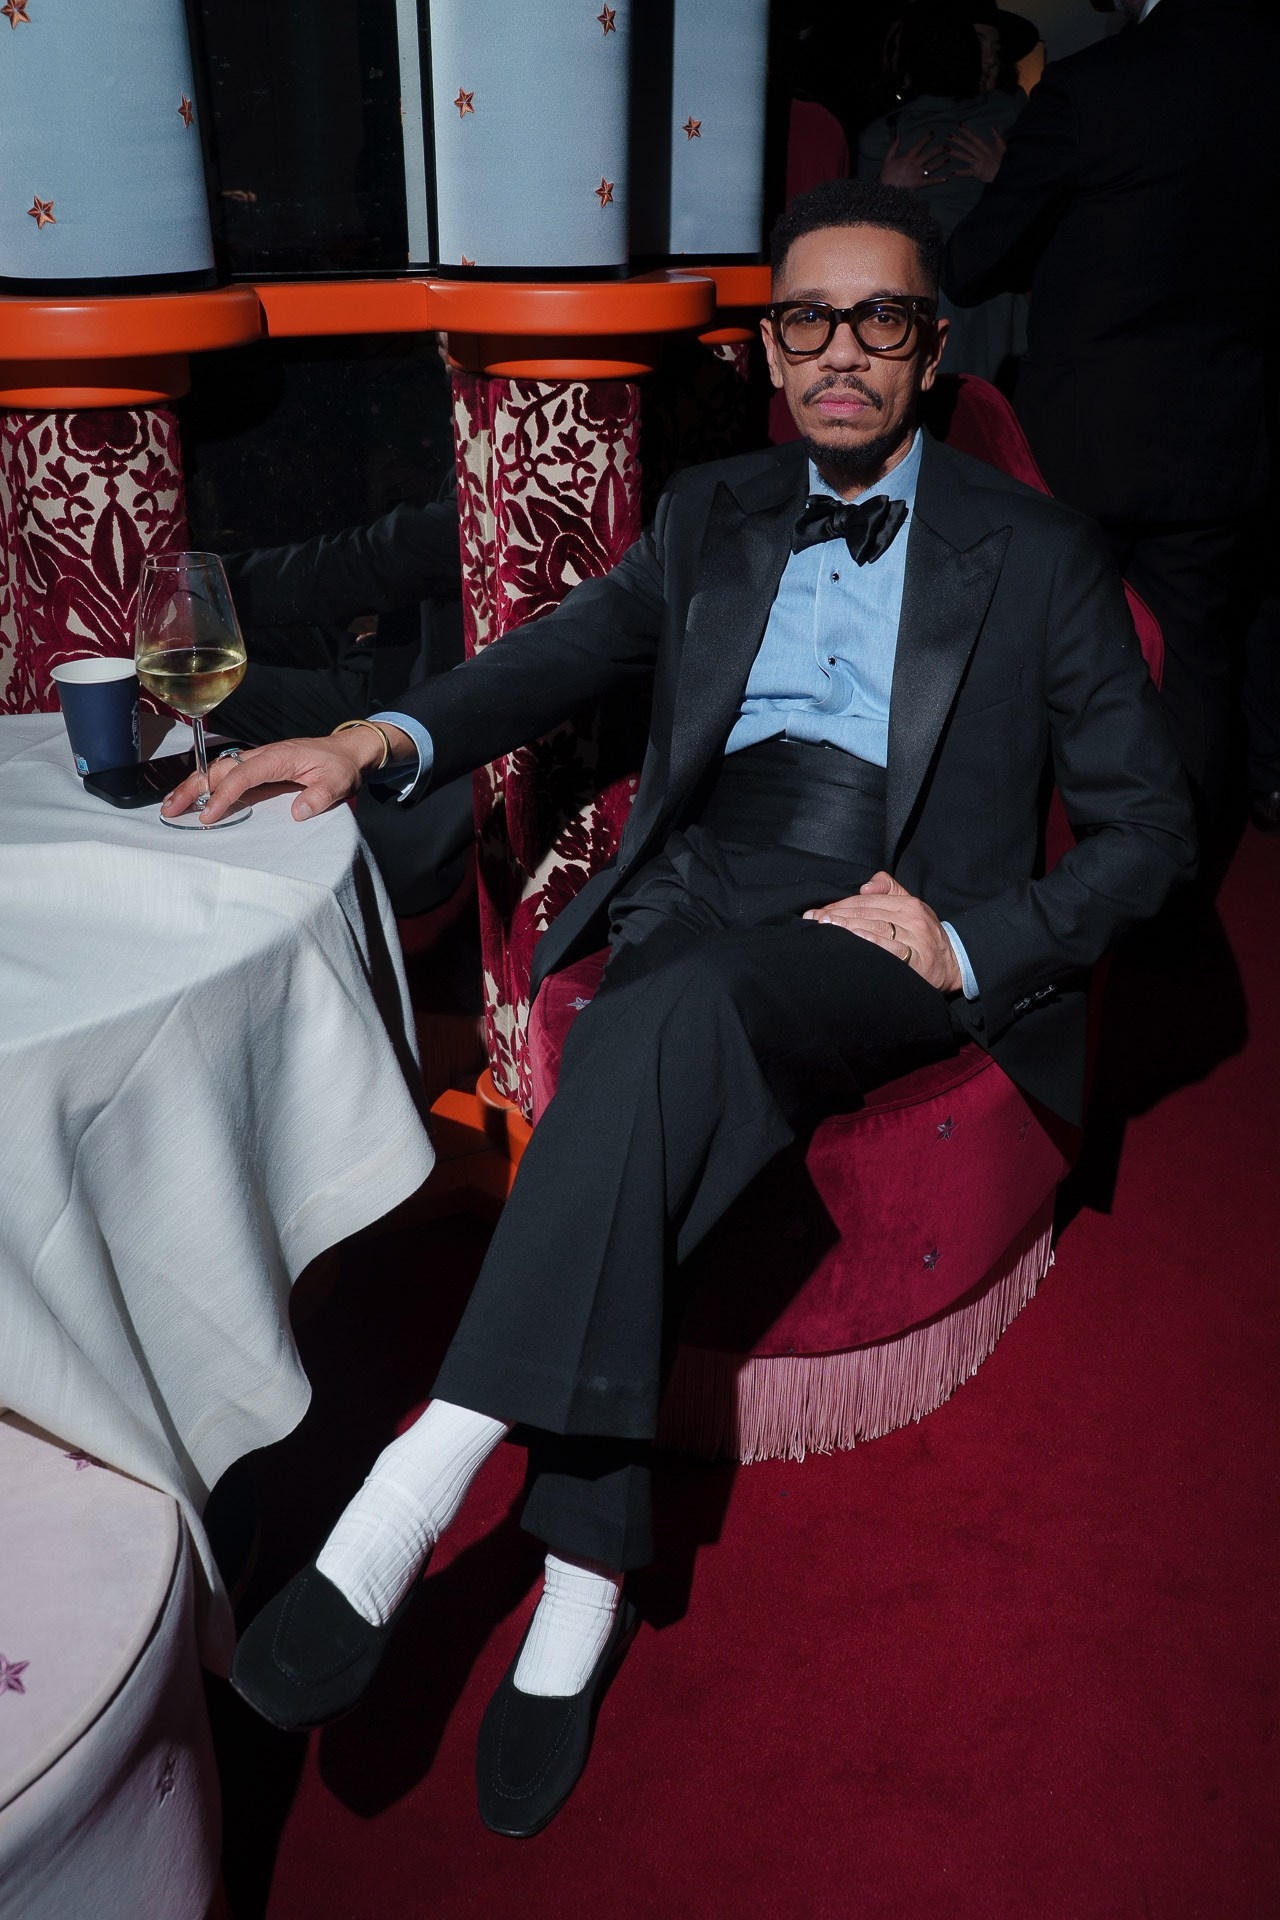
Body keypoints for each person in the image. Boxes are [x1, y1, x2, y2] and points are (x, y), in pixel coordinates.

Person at [166, 178, 1194, 1836]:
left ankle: (413, 1480)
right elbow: (563, 650)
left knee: (661, 1024)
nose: (840, 351)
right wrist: (379, 738)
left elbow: (1155, 834)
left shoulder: (1042, 552)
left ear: (930, 353)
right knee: (658, 1023)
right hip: (703, 880)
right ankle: (587, 1572)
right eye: (808, 320)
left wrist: (977, 941)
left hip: (881, 912)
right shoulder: (713, 510)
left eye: (880, 321)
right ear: (770, 346)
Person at [943, 0, 1280, 856]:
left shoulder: (1097, 86)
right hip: (1225, 426)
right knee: (1195, 663)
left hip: (1086, 440)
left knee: (1050, 659)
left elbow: (974, 263)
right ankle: (1173, 889)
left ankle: (1048, 879)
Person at [216, 483, 476, 917]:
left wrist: (213, 587)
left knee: (222, 683)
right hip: (385, 658)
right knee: (217, 665)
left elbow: (386, 555)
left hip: (426, 697)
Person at [858, 0, 1027, 383]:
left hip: (967, 302)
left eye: (994, 48)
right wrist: (886, 190)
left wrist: (1009, 176)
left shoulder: (885, 136)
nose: (987, 58)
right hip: (962, 308)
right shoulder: (1009, 116)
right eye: (978, 43)